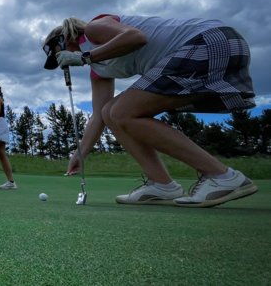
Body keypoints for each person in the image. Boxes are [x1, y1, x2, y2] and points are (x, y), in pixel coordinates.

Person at [42, 14, 258, 207]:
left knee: (122, 112)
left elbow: (136, 37)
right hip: (210, 47)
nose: (62, 62)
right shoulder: (99, 68)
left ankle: (222, 176)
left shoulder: (94, 29)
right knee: (112, 112)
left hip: (210, 41)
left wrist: (84, 57)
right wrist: (81, 153)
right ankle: (162, 184)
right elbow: (99, 115)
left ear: (65, 38)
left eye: (58, 55)